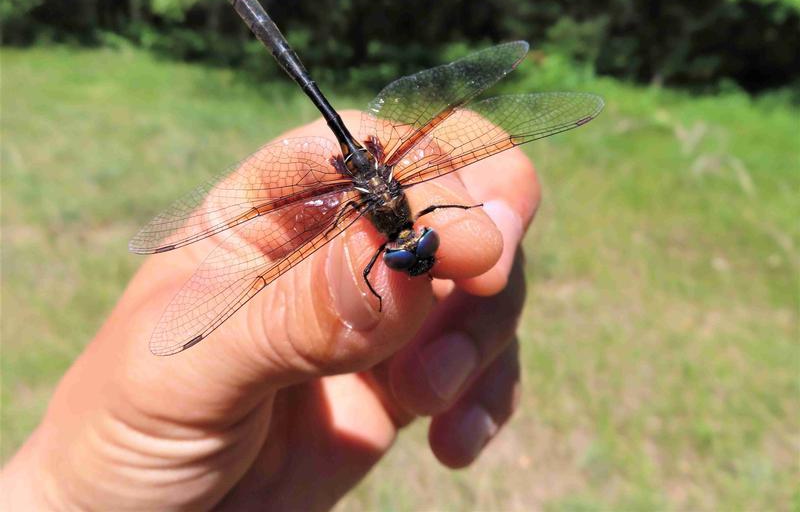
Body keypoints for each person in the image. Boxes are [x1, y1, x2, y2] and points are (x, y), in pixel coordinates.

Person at [1, 112, 540, 510]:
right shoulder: (360, 217)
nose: (414, 254)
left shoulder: (410, 213)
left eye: (412, 253)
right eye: (411, 254)